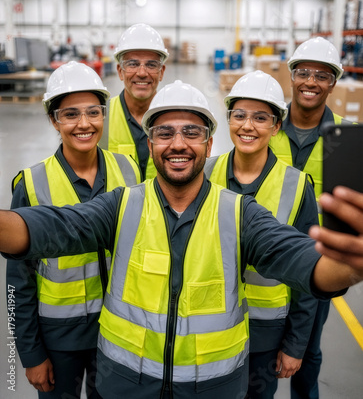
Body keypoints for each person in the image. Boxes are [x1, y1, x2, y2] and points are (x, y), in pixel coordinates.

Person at [0, 80, 361, 399]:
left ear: (207, 142)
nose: (178, 144)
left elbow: (306, 264)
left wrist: (347, 264)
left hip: (212, 387)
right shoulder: (121, 205)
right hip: (125, 385)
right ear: (150, 141)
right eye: (164, 132)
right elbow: (48, 227)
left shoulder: (239, 214)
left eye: (191, 132)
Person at [6, 62, 141, 398]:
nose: (84, 124)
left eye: (93, 112)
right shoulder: (32, 184)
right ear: (54, 120)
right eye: (70, 114)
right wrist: (31, 353)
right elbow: (17, 282)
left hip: (118, 331)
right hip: (58, 339)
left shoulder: (129, 170)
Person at [204, 71, 319, 398]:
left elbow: (308, 271)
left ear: (276, 125)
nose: (247, 126)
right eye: (239, 115)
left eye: (260, 117)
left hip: (265, 334)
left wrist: (295, 344)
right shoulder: (206, 174)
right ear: (228, 119)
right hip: (207, 328)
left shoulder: (296, 186)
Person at [268, 36, 350, 399]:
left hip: (319, 261)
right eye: (303, 72)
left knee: (309, 349)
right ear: (291, 76)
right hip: (265, 255)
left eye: (322, 75)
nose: (311, 82)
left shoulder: (347, 137)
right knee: (262, 346)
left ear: (333, 82)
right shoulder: (266, 128)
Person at [99, 22, 168, 180]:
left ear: (161, 72)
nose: (142, 73)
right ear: (120, 71)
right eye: (132, 64)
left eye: (151, 65)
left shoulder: (175, 117)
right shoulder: (100, 116)